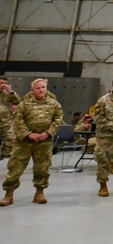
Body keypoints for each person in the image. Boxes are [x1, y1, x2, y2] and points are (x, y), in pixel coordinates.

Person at [0, 78, 63, 206]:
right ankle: (9, 194)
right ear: (32, 90)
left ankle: (39, 193)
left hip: (44, 142)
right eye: (38, 88)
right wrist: (28, 134)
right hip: (24, 142)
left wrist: (47, 133)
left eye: (43, 87)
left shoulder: (54, 104)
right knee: (15, 168)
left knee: (42, 168)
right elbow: (17, 120)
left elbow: (58, 119)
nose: (41, 90)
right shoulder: (24, 104)